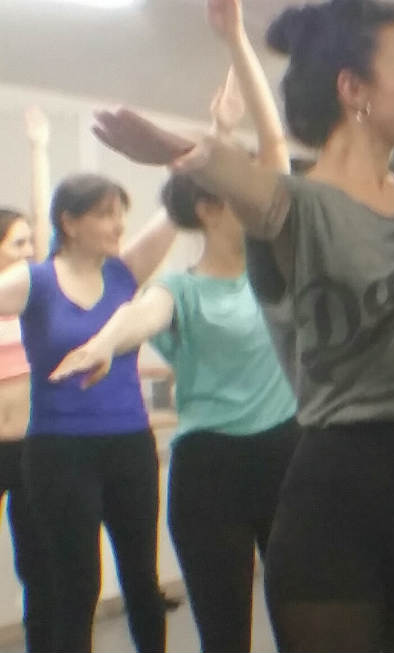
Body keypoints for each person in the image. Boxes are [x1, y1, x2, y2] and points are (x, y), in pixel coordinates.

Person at [89, 0, 394, 649]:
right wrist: (184, 150)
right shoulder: (296, 207)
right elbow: (250, 183)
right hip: (339, 486)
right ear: (353, 89)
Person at [51, 4, 298, 647]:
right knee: (224, 633)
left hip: (286, 457)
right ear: (211, 209)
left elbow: (274, 149)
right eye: (237, 190)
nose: (257, 196)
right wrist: (103, 343)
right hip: (209, 471)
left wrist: (236, 41)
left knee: (306, 626)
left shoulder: (277, 270)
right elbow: (142, 313)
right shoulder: (181, 289)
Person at [0, 158, 177, 651]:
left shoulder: (125, 272)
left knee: (142, 581)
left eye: (120, 214)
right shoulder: (35, 280)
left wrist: (210, 146)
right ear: (70, 223)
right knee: (76, 586)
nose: (118, 226)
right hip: (60, 451)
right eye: (104, 214)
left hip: (129, 445)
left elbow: (175, 209)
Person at [0, 106, 54, 653]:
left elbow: (44, 220)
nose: (29, 251)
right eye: (17, 244)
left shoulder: (33, 295)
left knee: (38, 565)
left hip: (33, 449)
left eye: (30, 244)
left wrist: (39, 149)